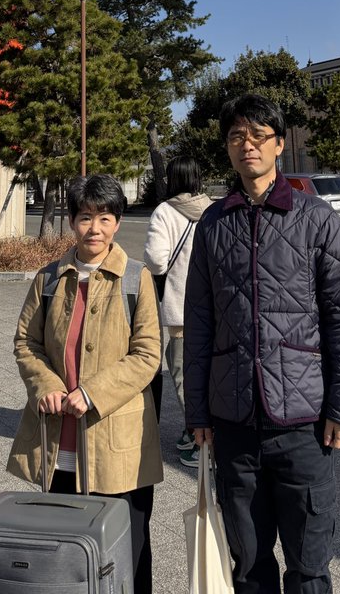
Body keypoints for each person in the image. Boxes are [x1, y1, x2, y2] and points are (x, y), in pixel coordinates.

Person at [184, 94, 340, 594]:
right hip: (234, 419)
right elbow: (198, 322)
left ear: (279, 145)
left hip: (304, 422)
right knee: (248, 566)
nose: (249, 146)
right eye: (237, 136)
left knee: (309, 567)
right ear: (227, 148)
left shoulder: (317, 219)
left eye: (259, 136)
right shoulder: (214, 224)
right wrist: (197, 412)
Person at [7, 174, 163, 594]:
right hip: (58, 441)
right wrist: (46, 385)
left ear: (117, 222)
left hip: (118, 442)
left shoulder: (135, 278)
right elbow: (27, 341)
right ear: (72, 221)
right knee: (65, 550)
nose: (94, 228)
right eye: (85, 217)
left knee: (127, 546)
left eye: (105, 218)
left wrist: (92, 393)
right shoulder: (51, 278)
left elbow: (148, 354)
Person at [143, 155, 211, 468]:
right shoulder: (213, 208)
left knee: (186, 376)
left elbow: (157, 260)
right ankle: (192, 432)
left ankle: (203, 445)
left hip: (183, 309)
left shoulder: (165, 211)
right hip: (216, 307)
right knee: (210, 375)